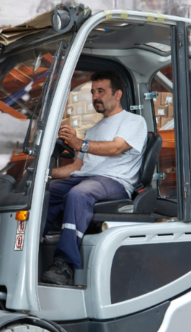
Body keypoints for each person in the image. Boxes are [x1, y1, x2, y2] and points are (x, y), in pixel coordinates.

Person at [40, 70, 148, 286]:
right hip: (87, 178)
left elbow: (116, 148)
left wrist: (80, 144)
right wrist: (42, 174)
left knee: (79, 193)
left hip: (115, 182)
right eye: (93, 92)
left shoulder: (133, 122)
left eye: (101, 91)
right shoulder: (94, 129)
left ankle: (64, 264)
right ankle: (32, 244)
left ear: (117, 95)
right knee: (47, 189)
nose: (95, 97)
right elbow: (76, 167)